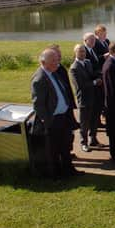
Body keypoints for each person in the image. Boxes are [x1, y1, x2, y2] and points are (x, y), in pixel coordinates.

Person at [32, 48, 84, 178]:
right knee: (53, 150)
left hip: (63, 116)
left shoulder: (54, 72)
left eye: (57, 59)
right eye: (54, 60)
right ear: (44, 63)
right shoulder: (39, 79)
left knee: (65, 146)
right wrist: (47, 121)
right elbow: (39, 104)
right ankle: (55, 175)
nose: (57, 62)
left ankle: (69, 170)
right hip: (53, 120)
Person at [69, 44, 100, 153]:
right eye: (80, 51)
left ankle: (94, 139)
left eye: (84, 51)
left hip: (93, 97)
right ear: (75, 53)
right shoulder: (74, 68)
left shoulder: (88, 62)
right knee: (84, 123)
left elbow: (91, 75)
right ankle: (83, 143)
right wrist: (95, 82)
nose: (83, 53)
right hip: (84, 99)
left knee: (94, 120)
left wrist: (99, 75)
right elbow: (80, 85)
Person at [82, 33, 104, 147]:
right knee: (88, 117)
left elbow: (96, 63)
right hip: (90, 89)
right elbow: (86, 71)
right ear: (85, 40)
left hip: (97, 88)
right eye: (91, 39)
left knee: (96, 114)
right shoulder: (84, 51)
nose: (93, 41)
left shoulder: (92, 50)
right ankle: (85, 141)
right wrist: (98, 76)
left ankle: (93, 137)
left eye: (94, 39)